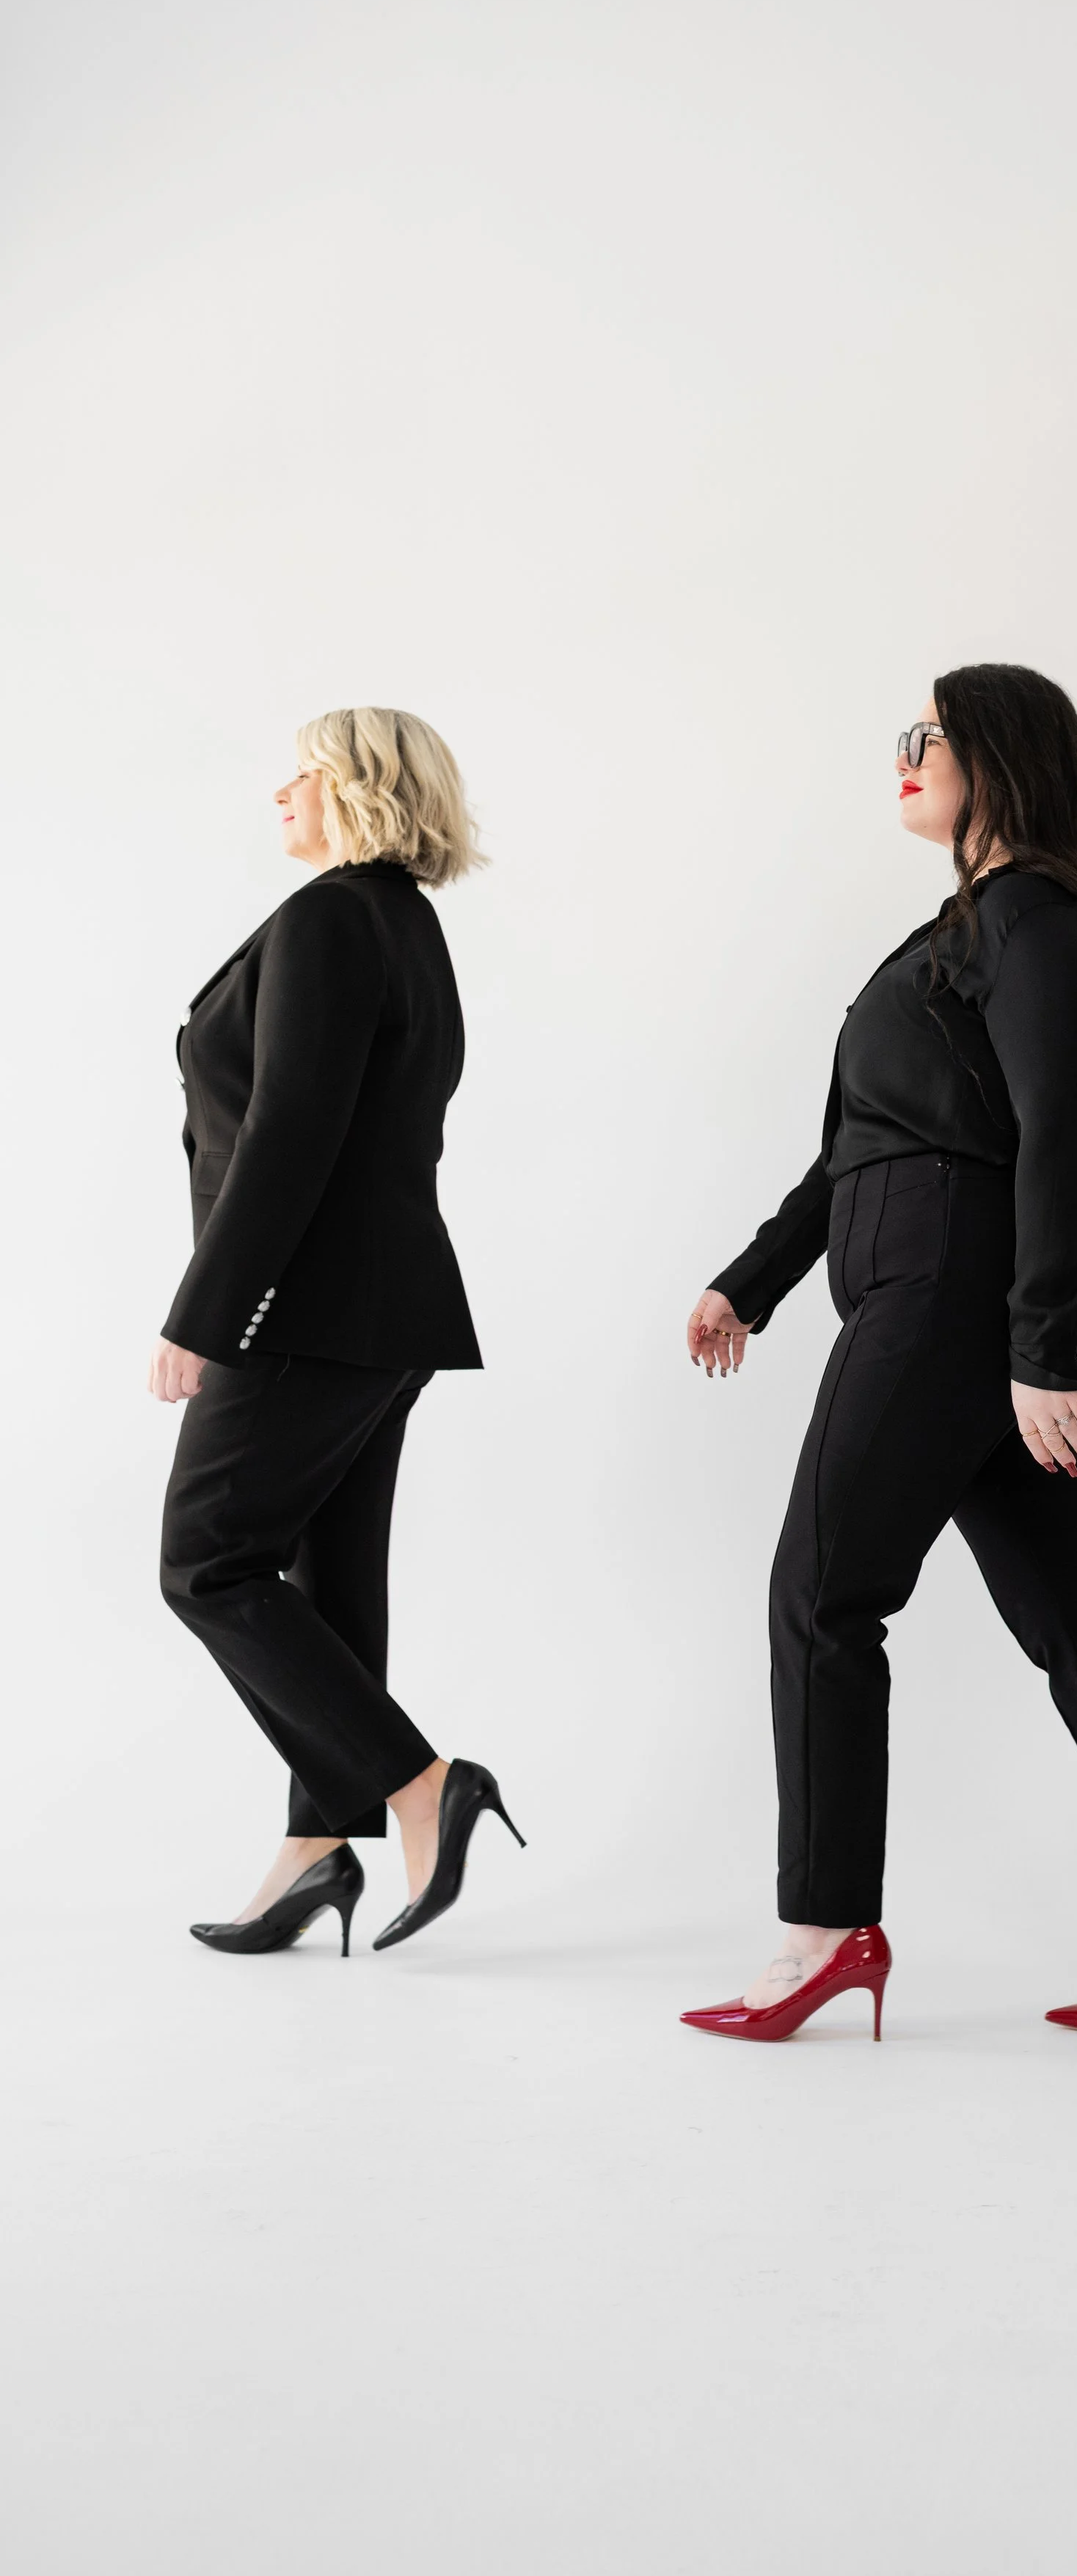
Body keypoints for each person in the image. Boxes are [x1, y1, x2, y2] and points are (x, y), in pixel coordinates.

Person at [680, 665, 1077, 2042]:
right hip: (931, 1299)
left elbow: (1052, 1137)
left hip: (951, 1301)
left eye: (929, 735)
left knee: (822, 1592)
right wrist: (749, 1283)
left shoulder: (1040, 918)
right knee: (1074, 1616)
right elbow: (852, 1151)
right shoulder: (961, 925)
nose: (908, 755)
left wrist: (1047, 1349)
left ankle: (826, 1931)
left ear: (1000, 754)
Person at [155, 708, 522, 1959]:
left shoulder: (330, 918)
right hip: (387, 1307)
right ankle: (320, 1849)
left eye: (304, 771)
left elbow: (289, 1136)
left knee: (206, 1562)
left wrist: (205, 1312)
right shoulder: (407, 928)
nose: (282, 793)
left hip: (303, 1310)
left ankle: (421, 1785)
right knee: (329, 1577)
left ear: (359, 786)